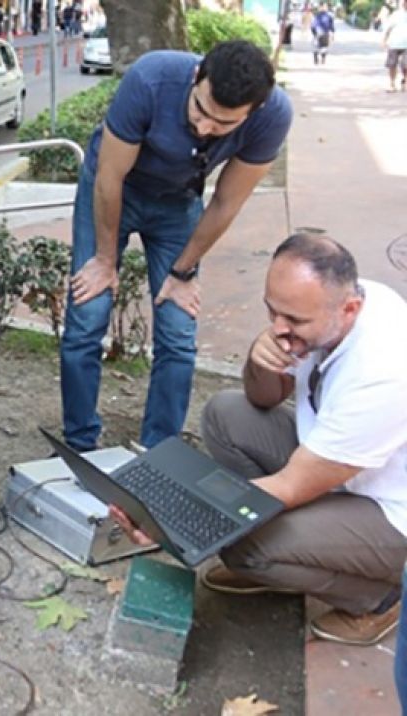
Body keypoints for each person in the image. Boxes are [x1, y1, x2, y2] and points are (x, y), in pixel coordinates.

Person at [111, 233, 407, 646]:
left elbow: (289, 487)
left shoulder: (384, 373)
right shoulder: (336, 305)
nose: (279, 329)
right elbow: (261, 398)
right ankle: (292, 552)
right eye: (273, 312)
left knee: (244, 547)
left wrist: (174, 519)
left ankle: (379, 599)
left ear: (349, 309)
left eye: (294, 322)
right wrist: (260, 356)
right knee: (225, 414)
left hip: (391, 516)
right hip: (335, 467)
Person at [59, 40, 293, 453]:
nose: (205, 128)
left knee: (178, 331)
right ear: (196, 75)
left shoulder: (272, 116)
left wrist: (183, 272)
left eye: (223, 124)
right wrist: (104, 259)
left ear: (252, 112)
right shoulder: (151, 78)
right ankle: (79, 444)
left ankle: (158, 452)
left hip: (179, 203)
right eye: (200, 110)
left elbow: (225, 201)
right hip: (116, 187)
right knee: (88, 313)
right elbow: (110, 177)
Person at [383, 0, 407, 92]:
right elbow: (388, 27)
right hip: (394, 43)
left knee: (406, 65)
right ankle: (392, 84)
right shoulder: (396, 14)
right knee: (392, 65)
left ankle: (404, 82)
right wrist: (384, 39)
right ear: (404, 3)